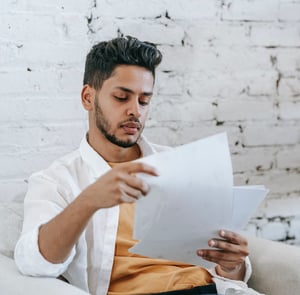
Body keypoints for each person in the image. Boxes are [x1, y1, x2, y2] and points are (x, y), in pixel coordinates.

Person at [15, 36, 259, 295]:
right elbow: (35, 263)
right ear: (88, 97)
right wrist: (89, 201)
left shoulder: (180, 165)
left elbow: (222, 265)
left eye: (144, 101)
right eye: (122, 97)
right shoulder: (57, 180)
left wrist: (233, 265)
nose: (136, 111)